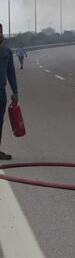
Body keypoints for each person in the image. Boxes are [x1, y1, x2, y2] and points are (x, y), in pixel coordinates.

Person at [0, 25, 19, 161]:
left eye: (0, 32)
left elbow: (11, 73)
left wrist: (15, 91)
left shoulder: (7, 52)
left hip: (1, 93)